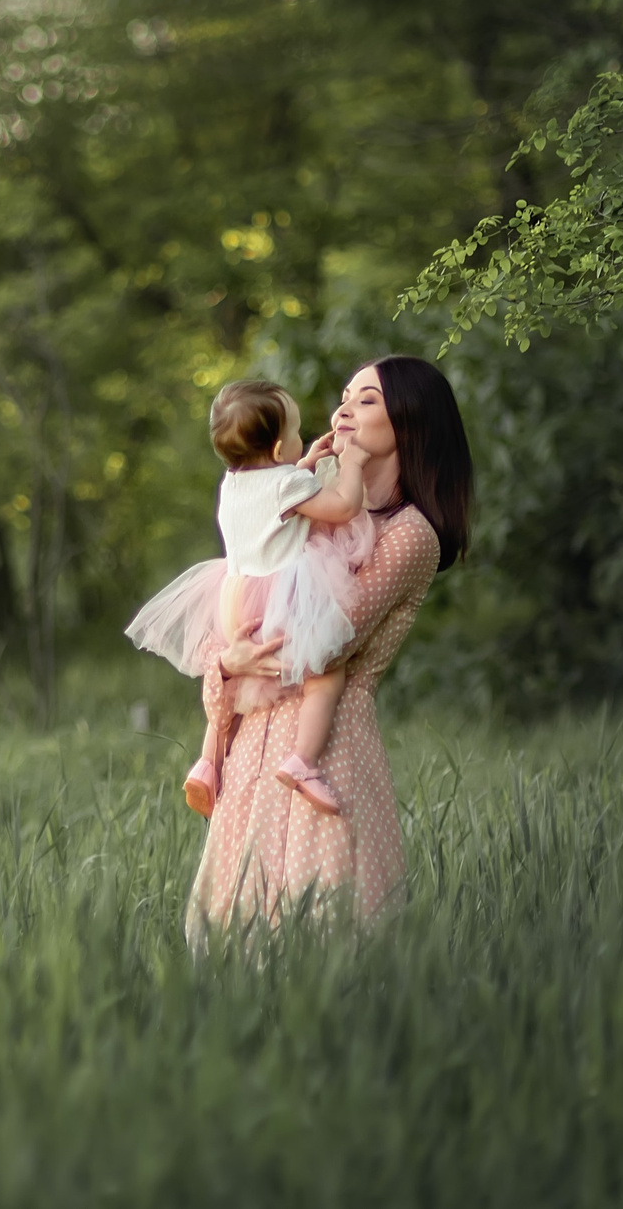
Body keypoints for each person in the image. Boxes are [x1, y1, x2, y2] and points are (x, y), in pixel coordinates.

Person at [182, 356, 471, 943]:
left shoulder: (409, 533)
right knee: (237, 942)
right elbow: (236, 619)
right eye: (344, 397)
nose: (344, 410)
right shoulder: (305, 496)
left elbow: (327, 642)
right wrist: (226, 662)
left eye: (367, 400)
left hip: (327, 749)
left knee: (324, 934)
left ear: (409, 421)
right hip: (253, 755)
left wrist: (240, 652)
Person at [126, 380, 376, 817]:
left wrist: (305, 463)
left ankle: (208, 763)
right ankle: (303, 761)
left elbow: (276, 493)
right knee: (324, 675)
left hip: (231, 595)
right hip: (276, 595)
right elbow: (342, 507)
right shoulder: (287, 484)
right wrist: (351, 464)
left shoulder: (233, 482)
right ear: (279, 449)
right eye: (295, 433)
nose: (301, 439)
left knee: (240, 682)